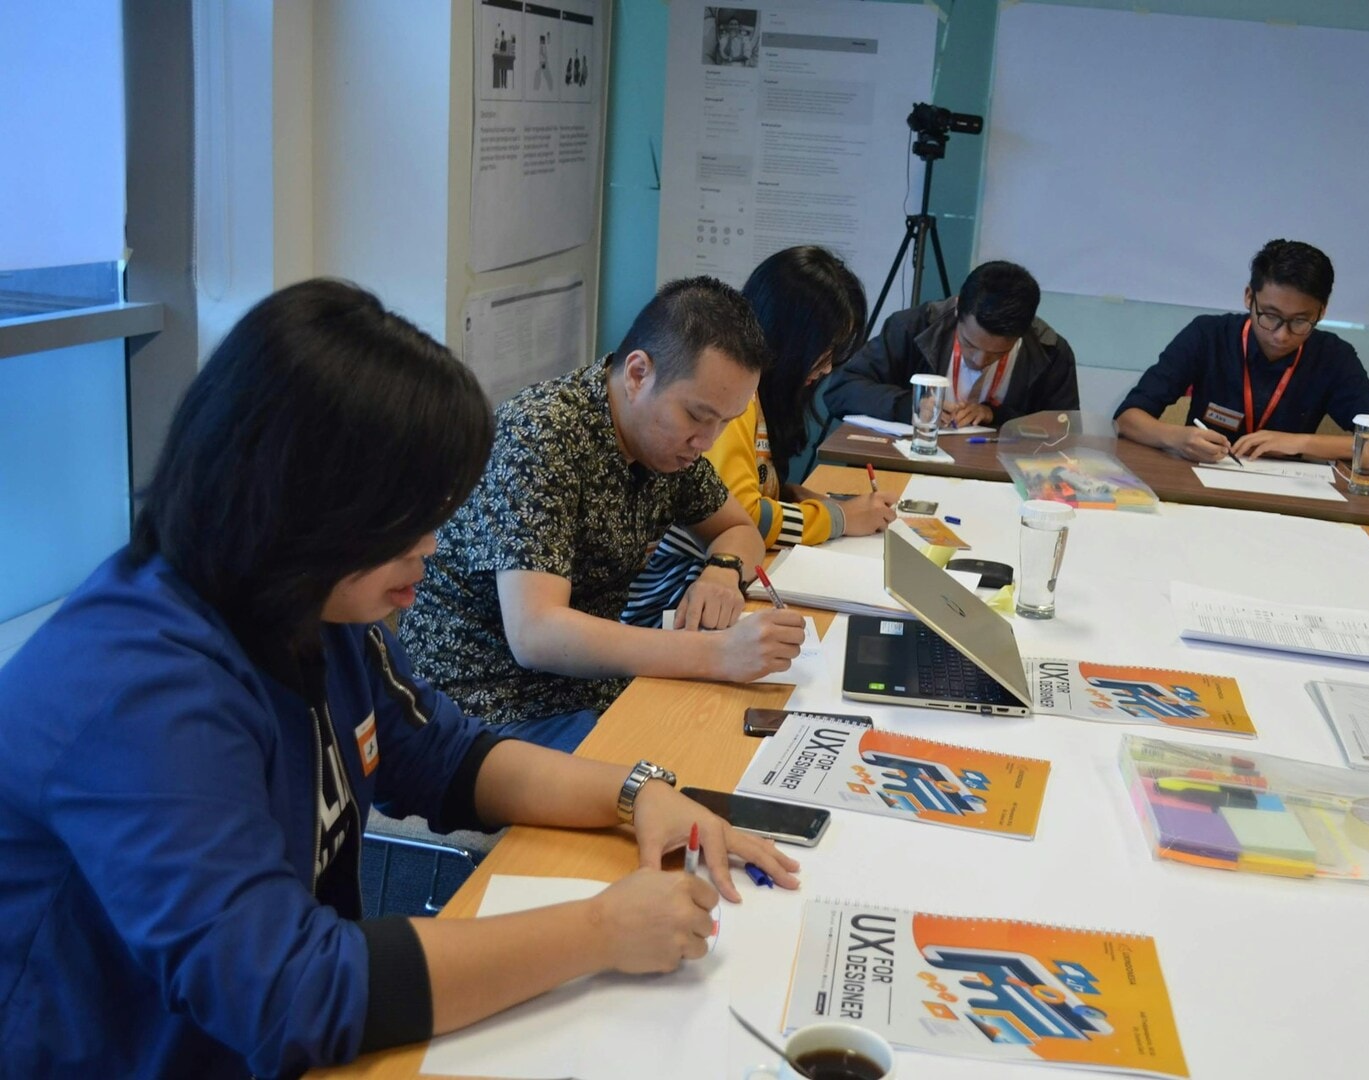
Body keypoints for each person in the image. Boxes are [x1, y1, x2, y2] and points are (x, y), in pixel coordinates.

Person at [0, 279, 799, 1078]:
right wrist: (598, 931)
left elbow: (445, 756)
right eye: (410, 516)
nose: (431, 544)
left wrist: (635, 793)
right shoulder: (138, 690)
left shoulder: (314, 608)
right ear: (305, 497)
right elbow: (289, 992)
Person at [399, 276, 805, 752]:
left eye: (724, 422)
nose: (706, 441)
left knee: (728, 736)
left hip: (587, 687)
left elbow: (738, 527)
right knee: (688, 758)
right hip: (487, 706)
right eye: (697, 416)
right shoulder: (541, 434)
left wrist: (722, 571)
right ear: (638, 374)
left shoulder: (665, 444)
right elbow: (535, 633)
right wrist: (715, 653)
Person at [621, 247, 899, 627]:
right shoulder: (733, 401)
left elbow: (748, 500)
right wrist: (840, 518)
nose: (827, 368)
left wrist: (797, 496)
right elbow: (748, 514)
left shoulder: (753, 401)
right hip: (668, 601)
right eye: (825, 350)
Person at [1114, 239, 1369, 466]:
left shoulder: (1333, 356)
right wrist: (1176, 438)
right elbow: (1127, 418)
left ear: (1322, 311)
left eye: (1300, 321)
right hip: (1201, 480)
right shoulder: (1208, 335)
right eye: (1270, 315)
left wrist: (1300, 443)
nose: (1281, 335)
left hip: (1285, 496)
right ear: (1249, 297)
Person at [823, 259, 1080, 430]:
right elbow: (841, 390)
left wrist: (997, 416)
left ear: (1023, 334)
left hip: (997, 476)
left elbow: (1064, 430)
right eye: (969, 344)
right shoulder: (912, 328)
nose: (979, 361)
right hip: (905, 464)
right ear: (957, 308)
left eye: (998, 353)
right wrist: (909, 406)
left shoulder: (1051, 352)